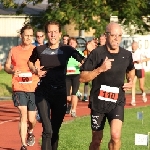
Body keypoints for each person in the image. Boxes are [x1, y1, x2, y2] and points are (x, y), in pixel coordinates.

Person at [27, 20, 84, 150]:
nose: (52, 34)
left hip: (60, 93)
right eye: (50, 32)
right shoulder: (40, 49)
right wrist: (36, 70)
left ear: (60, 34)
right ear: (47, 34)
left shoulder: (67, 49)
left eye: (55, 32)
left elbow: (83, 60)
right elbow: (30, 62)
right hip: (43, 93)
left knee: (55, 130)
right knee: (48, 130)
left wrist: (88, 64)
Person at [79, 22, 135, 150]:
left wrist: (130, 80)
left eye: (119, 35)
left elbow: (130, 69)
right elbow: (82, 77)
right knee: (96, 141)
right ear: (106, 35)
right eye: (113, 35)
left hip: (117, 101)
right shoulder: (97, 53)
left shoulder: (126, 55)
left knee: (115, 136)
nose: (116, 38)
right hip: (98, 102)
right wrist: (100, 69)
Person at [4, 24, 40, 150]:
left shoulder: (37, 50)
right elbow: (7, 66)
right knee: (23, 114)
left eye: (31, 36)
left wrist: (36, 70)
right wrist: (12, 71)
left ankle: (30, 131)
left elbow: (40, 68)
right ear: (21, 36)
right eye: (26, 35)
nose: (29, 38)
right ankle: (23, 145)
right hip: (18, 87)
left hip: (33, 88)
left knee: (32, 118)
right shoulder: (14, 50)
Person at [65, 37, 83, 117]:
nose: (72, 44)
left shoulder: (79, 53)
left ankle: (73, 110)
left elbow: (84, 63)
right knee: (67, 96)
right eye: (70, 42)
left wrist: (80, 64)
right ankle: (69, 105)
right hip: (66, 75)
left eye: (73, 42)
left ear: (76, 44)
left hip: (76, 74)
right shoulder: (65, 53)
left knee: (74, 93)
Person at [130, 41, 150, 106]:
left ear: (137, 46)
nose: (133, 47)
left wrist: (141, 61)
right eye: (133, 46)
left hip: (140, 69)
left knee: (141, 86)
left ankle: (143, 93)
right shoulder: (130, 53)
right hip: (133, 69)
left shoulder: (141, 52)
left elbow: (148, 58)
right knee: (132, 84)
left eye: (135, 46)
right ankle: (133, 100)